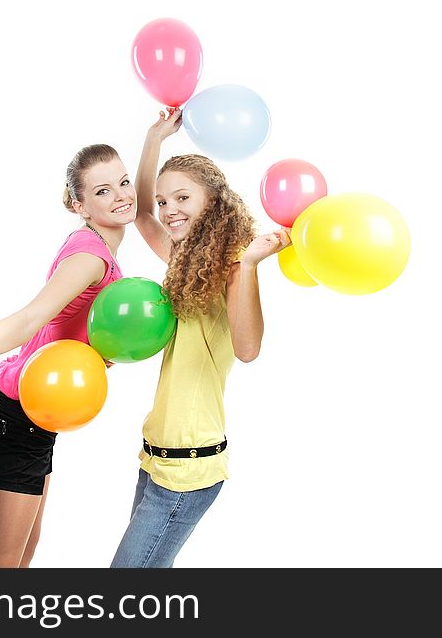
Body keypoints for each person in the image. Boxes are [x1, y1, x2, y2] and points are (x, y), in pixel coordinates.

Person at [0, 144, 135, 568]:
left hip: (39, 411)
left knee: (22, 554)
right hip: (18, 413)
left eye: (124, 183)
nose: (122, 196)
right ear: (80, 203)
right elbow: (28, 319)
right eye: (103, 192)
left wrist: (156, 136)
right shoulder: (89, 255)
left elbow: (143, 200)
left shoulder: (102, 239)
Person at [110, 109, 289, 568]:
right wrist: (153, 138)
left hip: (187, 470)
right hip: (155, 459)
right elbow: (143, 214)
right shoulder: (188, 260)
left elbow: (248, 350)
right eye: (165, 200)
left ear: (213, 201)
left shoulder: (231, 265)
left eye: (183, 197)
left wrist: (248, 265)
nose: (170, 210)